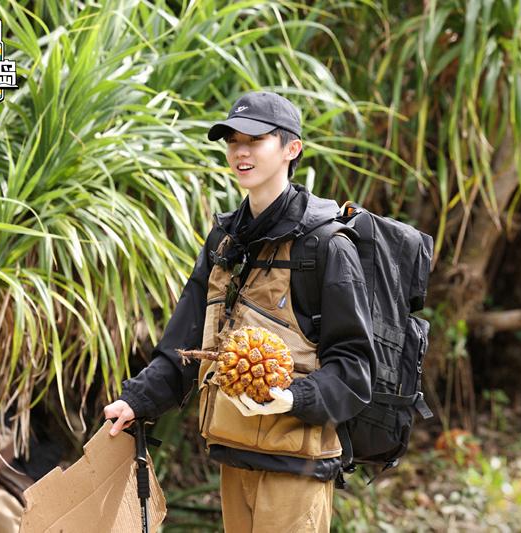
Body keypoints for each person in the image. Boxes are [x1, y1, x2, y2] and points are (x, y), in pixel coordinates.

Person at [104, 91, 375, 532]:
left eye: (255, 139)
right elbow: (187, 341)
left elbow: (355, 367)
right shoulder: (224, 242)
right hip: (235, 455)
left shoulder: (324, 245)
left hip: (298, 466)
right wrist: (136, 400)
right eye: (232, 140)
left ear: (292, 149)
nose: (240, 151)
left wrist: (292, 397)